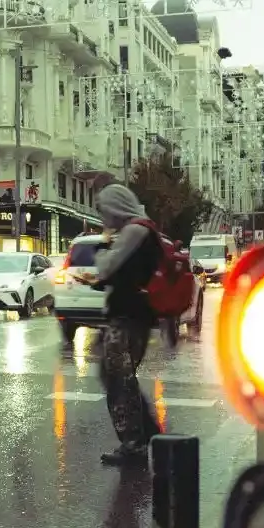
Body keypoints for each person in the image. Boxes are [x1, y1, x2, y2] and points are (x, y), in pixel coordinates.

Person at [83, 184, 163, 467]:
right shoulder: (143, 231)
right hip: (132, 316)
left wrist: (104, 245)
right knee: (117, 377)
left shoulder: (134, 231)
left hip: (128, 318)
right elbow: (125, 274)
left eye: (104, 209)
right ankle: (147, 436)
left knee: (119, 380)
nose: (103, 215)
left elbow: (107, 266)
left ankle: (135, 445)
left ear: (115, 206)